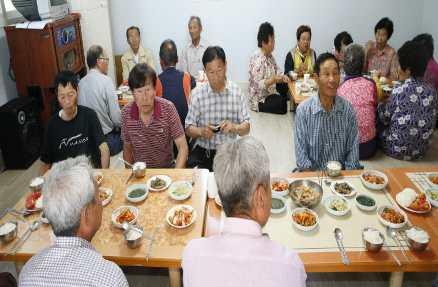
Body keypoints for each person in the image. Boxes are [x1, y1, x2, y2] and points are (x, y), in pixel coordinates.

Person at [182, 136, 307, 287]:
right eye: (269, 187)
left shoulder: (193, 255)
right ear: (260, 197)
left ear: (221, 195)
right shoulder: (290, 266)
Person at [19, 156, 128, 287]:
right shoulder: (110, 278)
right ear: (87, 214)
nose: (100, 203)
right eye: (98, 197)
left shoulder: (27, 272)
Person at [185, 46, 250, 171]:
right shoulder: (198, 94)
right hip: (204, 151)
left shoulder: (236, 92)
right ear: (204, 71)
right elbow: (188, 128)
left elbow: (246, 128)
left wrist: (234, 127)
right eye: (211, 72)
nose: (216, 76)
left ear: (226, 66)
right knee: (193, 177)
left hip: (228, 152)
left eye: (219, 70)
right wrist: (201, 132)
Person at [294, 53, 361, 171]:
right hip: (312, 177)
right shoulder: (303, 111)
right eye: (326, 74)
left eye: (335, 73)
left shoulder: (348, 110)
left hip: (340, 179)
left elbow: (353, 156)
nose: (332, 79)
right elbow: (302, 159)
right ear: (316, 78)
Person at [377, 41, 437, 160]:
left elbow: (384, 118)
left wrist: (379, 105)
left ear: (408, 70)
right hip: (421, 150)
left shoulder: (400, 90)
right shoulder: (432, 92)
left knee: (376, 122)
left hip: (396, 149)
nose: (398, 68)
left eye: (399, 65)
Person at [40, 71, 110, 174]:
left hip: (90, 174)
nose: (67, 102)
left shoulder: (89, 115)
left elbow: (104, 148)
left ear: (77, 90)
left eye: (70, 95)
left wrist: (104, 174)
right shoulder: (52, 125)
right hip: (65, 179)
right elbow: (45, 162)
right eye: (62, 97)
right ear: (57, 96)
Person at [121, 63, 188, 168]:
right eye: (139, 91)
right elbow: (127, 148)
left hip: (166, 173)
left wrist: (176, 174)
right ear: (132, 93)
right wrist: (130, 175)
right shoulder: (126, 113)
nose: (144, 97)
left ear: (154, 89)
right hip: (141, 174)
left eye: (148, 90)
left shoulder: (168, 108)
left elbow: (182, 147)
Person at [78, 45, 122, 156]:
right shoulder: (106, 81)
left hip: (86, 143)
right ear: (99, 61)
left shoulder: (80, 83)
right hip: (106, 141)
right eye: (107, 60)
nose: (108, 63)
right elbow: (117, 120)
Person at [338, 44, 378, 159]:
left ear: (344, 65)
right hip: (368, 148)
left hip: (346, 148)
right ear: (364, 65)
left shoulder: (340, 87)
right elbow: (374, 107)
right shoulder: (371, 84)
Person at [248, 22, 290, 114]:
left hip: (270, 90)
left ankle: (280, 97)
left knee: (286, 85)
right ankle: (276, 100)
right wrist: (273, 80)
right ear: (263, 43)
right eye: (272, 41)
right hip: (260, 98)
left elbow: (277, 70)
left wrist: (283, 77)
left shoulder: (269, 55)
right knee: (282, 104)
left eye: (274, 40)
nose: (274, 43)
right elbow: (258, 86)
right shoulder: (258, 60)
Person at [156, 39, 194, 127]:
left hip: (166, 133)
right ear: (177, 59)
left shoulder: (156, 81)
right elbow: (194, 82)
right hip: (185, 131)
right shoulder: (186, 77)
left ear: (161, 61)